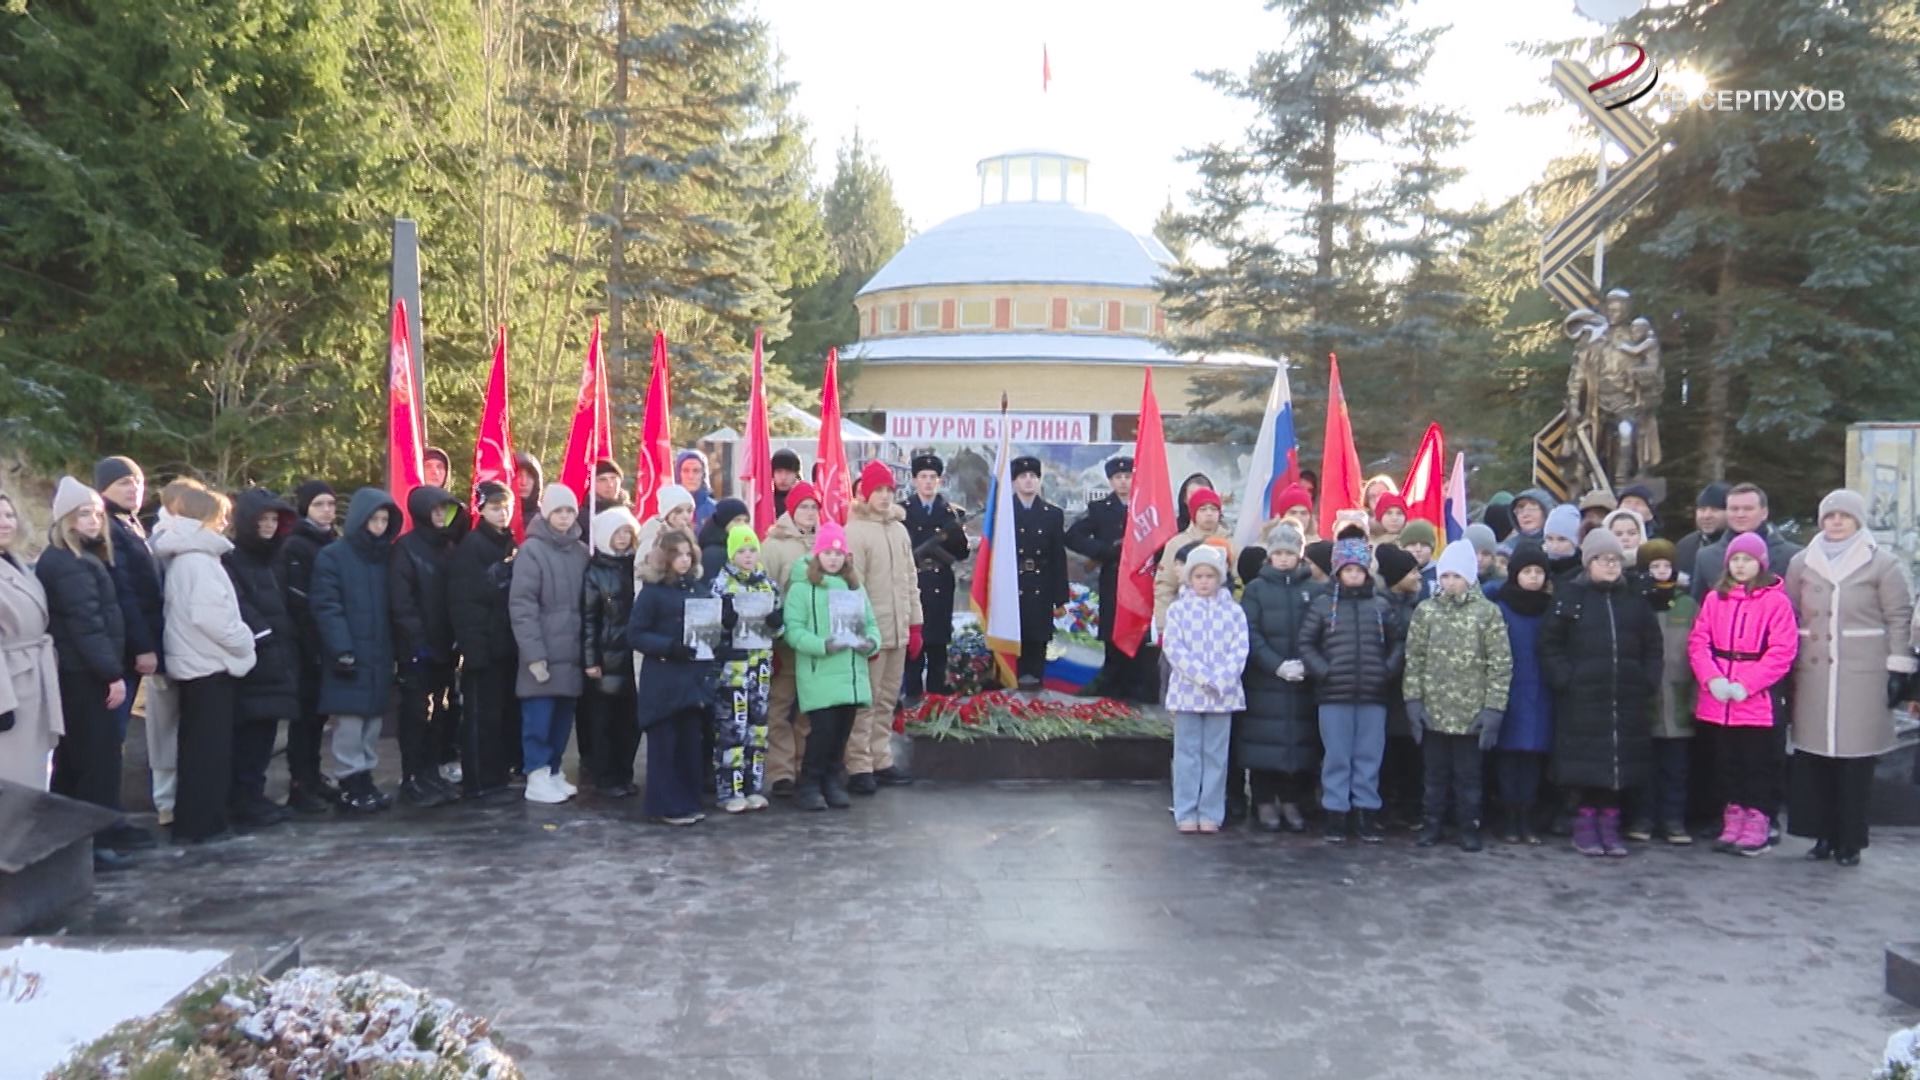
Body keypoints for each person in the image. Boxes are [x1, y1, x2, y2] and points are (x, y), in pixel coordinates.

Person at [1785, 489, 1913, 867]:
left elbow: (1898, 617)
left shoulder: (1882, 564)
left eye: (1844, 516)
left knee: (1854, 761)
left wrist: (1898, 667)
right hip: (1813, 674)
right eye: (1829, 516)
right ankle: (1821, 835)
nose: (1836, 522)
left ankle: (1850, 840)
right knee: (1815, 759)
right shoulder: (1801, 563)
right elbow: (1791, 612)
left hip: (1862, 674)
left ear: (1858, 521)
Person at [38, 478, 142, 860]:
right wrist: (111, 673)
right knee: (96, 760)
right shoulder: (69, 563)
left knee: (77, 761)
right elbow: (87, 624)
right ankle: (93, 844)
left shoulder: (78, 558)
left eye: (97, 513)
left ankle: (85, 842)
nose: (94, 520)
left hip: (81, 673)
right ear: (66, 518)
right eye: (84, 513)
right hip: (86, 676)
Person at [1542, 529, 1662, 857]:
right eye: (1603, 560)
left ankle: (1610, 824)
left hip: (1625, 695)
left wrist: (1647, 679)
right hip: (1582, 697)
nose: (1611, 566)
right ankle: (1584, 823)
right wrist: (1565, 678)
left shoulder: (1633, 600)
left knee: (1617, 762)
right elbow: (1550, 644)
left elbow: (1653, 644)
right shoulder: (1571, 597)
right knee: (1585, 763)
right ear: (1589, 562)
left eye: (1615, 560)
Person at [151, 486, 256, 843]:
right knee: (206, 752)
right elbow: (212, 617)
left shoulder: (190, 556)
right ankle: (201, 824)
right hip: (207, 665)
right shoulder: (197, 560)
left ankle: (201, 821)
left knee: (200, 748)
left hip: (197, 663)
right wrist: (245, 641)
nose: (226, 521)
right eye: (219, 514)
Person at [1687, 531, 1798, 858]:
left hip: (1755, 699)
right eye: (1735, 559)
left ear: (1760, 564)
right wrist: (1711, 678)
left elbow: (1781, 651)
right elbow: (1698, 642)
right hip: (1718, 697)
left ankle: (1758, 819)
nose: (1740, 565)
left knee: (1757, 763)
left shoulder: (1775, 601)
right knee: (1727, 762)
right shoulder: (1714, 598)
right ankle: (1733, 815)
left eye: (1747, 559)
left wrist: (1747, 683)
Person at [1403, 542, 1512, 852]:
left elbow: (1500, 664)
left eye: (1456, 576)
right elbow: (1415, 659)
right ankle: (1432, 823)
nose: (1450, 582)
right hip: (1434, 712)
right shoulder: (1426, 611)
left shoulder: (1487, 613)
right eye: (1445, 575)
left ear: (1470, 577)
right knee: (1434, 776)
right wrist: (1413, 701)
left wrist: (1494, 709)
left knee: (1469, 778)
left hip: (1471, 714)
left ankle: (1469, 826)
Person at [1299, 538, 1405, 844]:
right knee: (1337, 756)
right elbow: (1306, 643)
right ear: (1338, 572)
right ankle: (1336, 812)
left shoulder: (1381, 605)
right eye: (1348, 570)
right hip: (1334, 695)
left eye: (1359, 569)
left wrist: (1387, 670)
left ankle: (1366, 812)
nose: (1354, 575)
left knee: (1369, 756)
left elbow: (1399, 641)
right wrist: (1323, 671)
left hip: (1373, 694)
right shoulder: (1322, 606)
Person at [311, 488, 401, 813]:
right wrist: (342, 648)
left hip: (379, 652)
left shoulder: (385, 557)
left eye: (383, 520)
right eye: (373, 519)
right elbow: (326, 605)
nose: (378, 526)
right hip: (348, 654)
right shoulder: (333, 556)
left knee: (372, 722)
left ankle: (365, 779)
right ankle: (350, 782)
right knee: (349, 723)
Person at [782, 522, 881, 811]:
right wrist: (822, 645)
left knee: (841, 733)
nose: (834, 559)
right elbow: (793, 632)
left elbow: (872, 625)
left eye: (839, 554)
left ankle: (832, 780)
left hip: (851, 673)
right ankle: (810, 782)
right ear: (818, 555)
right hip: (820, 672)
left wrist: (870, 643)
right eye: (828, 552)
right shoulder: (802, 588)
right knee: (822, 732)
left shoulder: (855, 586)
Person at [222, 488, 299, 829]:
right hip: (255, 657)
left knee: (265, 733)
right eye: (262, 520)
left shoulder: (273, 558)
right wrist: (262, 635)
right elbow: (236, 603)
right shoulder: (233, 559)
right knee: (250, 735)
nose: (269, 526)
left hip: (275, 655)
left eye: (273, 520)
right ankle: (244, 798)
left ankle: (254, 795)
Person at [1236, 522, 1318, 833]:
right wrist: (1276, 665)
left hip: (1302, 682)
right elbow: (1250, 634)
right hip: (1265, 681)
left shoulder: (1313, 590)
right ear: (1270, 556)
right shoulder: (1256, 590)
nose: (1284, 559)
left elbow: (1320, 631)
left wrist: (1306, 664)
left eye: (1289, 553)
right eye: (1278, 553)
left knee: (1297, 742)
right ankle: (1263, 800)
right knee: (1263, 744)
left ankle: (1291, 800)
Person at [628, 532, 715, 824]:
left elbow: (711, 629)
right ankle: (665, 804)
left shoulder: (698, 589)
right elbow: (635, 634)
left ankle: (688, 800)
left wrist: (722, 623)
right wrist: (669, 647)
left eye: (688, 554)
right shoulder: (652, 592)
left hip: (692, 680)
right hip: (664, 679)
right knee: (665, 745)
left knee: (689, 743)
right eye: (678, 554)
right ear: (666, 557)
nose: (684, 560)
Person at [845, 460, 922, 789]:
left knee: (888, 699)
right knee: (866, 701)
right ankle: (859, 764)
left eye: (889, 490)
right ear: (865, 493)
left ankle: (881, 757)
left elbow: (910, 580)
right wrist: (862, 632)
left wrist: (915, 624)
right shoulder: (855, 530)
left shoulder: (899, 530)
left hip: (899, 631)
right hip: (872, 632)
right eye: (878, 490)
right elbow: (852, 587)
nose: (885, 496)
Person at [389, 486, 468, 807]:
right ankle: (412, 777)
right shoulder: (405, 550)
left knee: (442, 712)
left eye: (444, 511)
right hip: (417, 648)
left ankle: (430, 772)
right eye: (434, 510)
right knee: (416, 714)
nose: (440, 516)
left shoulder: (448, 547)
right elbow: (401, 602)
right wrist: (417, 642)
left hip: (446, 646)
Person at [510, 484, 589, 805]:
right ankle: (537, 774)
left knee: (561, 718)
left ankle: (554, 770)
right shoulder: (532, 551)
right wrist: (534, 654)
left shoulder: (581, 552)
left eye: (569, 511)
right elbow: (522, 605)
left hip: (571, 652)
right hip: (542, 653)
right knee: (538, 718)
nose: (564, 517)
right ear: (547, 513)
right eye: (558, 511)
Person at [1163, 545, 1249, 835]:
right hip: (1188, 692)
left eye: (1209, 576)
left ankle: (1211, 811)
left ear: (1219, 578)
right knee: (1187, 753)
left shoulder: (1234, 612)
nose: (1203, 581)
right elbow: (1174, 648)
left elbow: (1240, 649)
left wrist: (1222, 679)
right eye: (1198, 575)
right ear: (1189, 577)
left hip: (1223, 695)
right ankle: (1186, 810)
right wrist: (1202, 677)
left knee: (1216, 755)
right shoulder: (1178, 610)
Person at [449, 482, 520, 798]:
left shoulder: (510, 543)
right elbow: (464, 601)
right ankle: (478, 779)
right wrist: (473, 647)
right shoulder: (472, 546)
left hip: (506, 643)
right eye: (494, 507)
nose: (502, 513)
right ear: (481, 509)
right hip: (483, 646)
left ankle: (498, 773)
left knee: (503, 714)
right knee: (481, 716)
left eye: (506, 506)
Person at [276, 480, 340, 812]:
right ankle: (300, 783)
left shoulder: (332, 540)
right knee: (303, 719)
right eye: (319, 505)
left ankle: (313, 776)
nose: (327, 510)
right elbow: (298, 600)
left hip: (327, 642)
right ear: (305, 508)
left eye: (330, 504)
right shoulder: (296, 546)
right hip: (304, 643)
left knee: (318, 717)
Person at [92, 458, 162, 750]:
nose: (133, 488)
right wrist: (143, 646)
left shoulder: (129, 522)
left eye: (137, 481)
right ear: (104, 488)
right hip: (122, 649)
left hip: (130, 645)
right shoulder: (107, 526)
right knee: (108, 735)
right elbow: (124, 592)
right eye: (123, 482)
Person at [710, 524, 780, 812]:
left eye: (752, 550)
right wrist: (723, 623)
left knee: (757, 731)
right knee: (732, 731)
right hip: (732, 670)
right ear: (732, 553)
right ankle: (730, 790)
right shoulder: (722, 584)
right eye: (742, 550)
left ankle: (753, 786)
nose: (748, 556)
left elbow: (777, 626)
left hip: (760, 669)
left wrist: (778, 623)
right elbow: (708, 629)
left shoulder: (767, 584)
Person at [1489, 542, 1554, 845]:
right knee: (1507, 758)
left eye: (1538, 572)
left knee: (1532, 758)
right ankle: (1508, 816)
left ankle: (1527, 817)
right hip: (1508, 690)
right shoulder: (1501, 607)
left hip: (1541, 691)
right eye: (1527, 571)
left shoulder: (1551, 609)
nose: (1533, 577)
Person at [1068, 457, 1148, 700]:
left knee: (1139, 634)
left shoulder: (1146, 508)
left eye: (1127, 476)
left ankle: (1137, 689)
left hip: (1140, 581)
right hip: (1113, 578)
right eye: (1118, 478)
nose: (1123, 482)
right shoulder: (1100, 508)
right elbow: (1073, 536)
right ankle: (1112, 688)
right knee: (1114, 633)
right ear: (1111, 481)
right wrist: (1105, 550)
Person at [759, 481, 820, 796]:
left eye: (814, 507)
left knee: (809, 709)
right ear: (791, 510)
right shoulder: (774, 544)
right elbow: (763, 590)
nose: (809, 513)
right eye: (804, 507)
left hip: (817, 643)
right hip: (785, 640)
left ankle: (802, 766)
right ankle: (781, 771)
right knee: (779, 707)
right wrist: (771, 638)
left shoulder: (827, 542)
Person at [1636, 538, 1698, 845]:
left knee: (1677, 768)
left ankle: (1673, 819)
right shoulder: (1637, 602)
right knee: (1645, 768)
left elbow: (1699, 647)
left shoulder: (1687, 604)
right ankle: (1644, 818)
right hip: (1646, 698)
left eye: (1665, 566)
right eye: (1653, 566)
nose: (1661, 572)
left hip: (1679, 696)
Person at [0, 491, 61, 792]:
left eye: (9, 515)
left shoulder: (17, 562)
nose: (5, 523)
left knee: (33, 770)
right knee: (11, 772)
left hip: (32, 675)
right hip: (10, 684)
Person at [579, 506, 641, 798]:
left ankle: (625, 773)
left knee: (630, 721)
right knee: (605, 721)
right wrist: (591, 660)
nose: (623, 537)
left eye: (627, 531)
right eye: (617, 532)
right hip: (607, 656)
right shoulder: (595, 571)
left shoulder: (637, 566)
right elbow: (589, 618)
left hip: (634, 655)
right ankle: (606, 776)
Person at [902, 453, 970, 702]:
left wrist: (953, 535)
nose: (928, 482)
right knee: (914, 643)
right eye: (923, 477)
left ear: (940, 481)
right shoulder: (902, 511)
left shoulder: (950, 512)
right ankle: (912, 695)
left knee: (938, 643)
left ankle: (935, 698)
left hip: (940, 581)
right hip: (913, 581)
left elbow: (962, 553)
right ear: (914, 480)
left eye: (933, 477)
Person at [1009, 456, 1068, 693]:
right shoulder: (1003, 512)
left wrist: (1060, 598)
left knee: (1037, 643)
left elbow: (1057, 557)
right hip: (1012, 587)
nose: (1028, 481)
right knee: (1013, 645)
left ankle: (1036, 697)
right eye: (1023, 477)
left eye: (1033, 476)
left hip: (1041, 586)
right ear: (1014, 482)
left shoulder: (1052, 514)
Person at [1690, 483, 1801, 602]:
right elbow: (1699, 607)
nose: (1740, 514)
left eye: (1748, 509)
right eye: (1734, 509)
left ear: (1764, 513)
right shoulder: (1706, 557)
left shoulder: (1793, 556)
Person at [1154, 488, 1235, 636]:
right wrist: (1162, 625)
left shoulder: (1231, 543)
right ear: (1193, 514)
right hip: (1184, 621)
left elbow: (1238, 581)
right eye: (1203, 509)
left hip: (1223, 621)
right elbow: (1165, 586)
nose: (1209, 514)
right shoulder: (1177, 543)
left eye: (1213, 509)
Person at [1674, 482, 1728, 592]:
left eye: (1715, 509)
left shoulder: (1741, 546)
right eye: (1702, 509)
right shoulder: (1685, 546)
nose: (1706, 516)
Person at [636, 484, 697, 568]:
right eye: (678, 511)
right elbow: (639, 570)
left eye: (689, 511)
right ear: (667, 513)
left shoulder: (688, 533)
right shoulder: (652, 535)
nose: (686, 516)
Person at [696, 497, 750, 586]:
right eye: (737, 520)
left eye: (746, 521)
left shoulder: (745, 546)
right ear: (723, 522)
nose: (743, 525)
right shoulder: (714, 552)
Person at [675, 449, 718, 530]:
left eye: (696, 471)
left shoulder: (715, 510)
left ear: (703, 474)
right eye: (685, 470)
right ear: (678, 474)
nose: (691, 476)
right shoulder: (668, 508)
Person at [1397, 519, 1438, 599]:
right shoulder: (1395, 574)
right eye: (1412, 544)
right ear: (1403, 548)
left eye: (1424, 544)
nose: (1418, 549)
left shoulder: (1441, 574)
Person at [1542, 505, 1584, 582]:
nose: (1554, 546)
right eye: (1549, 538)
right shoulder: (1537, 570)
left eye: (1562, 539)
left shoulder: (1585, 575)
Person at [513, 452, 544, 535]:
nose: (523, 482)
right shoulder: (497, 515)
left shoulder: (546, 519)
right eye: (519, 476)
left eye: (529, 476)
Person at [771, 448, 804, 519]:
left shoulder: (804, 501)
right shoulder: (765, 501)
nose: (783, 477)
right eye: (779, 471)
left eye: (788, 472)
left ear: (796, 474)